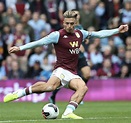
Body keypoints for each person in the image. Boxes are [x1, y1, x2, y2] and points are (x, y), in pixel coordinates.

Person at [4, 10, 128, 119]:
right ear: (63, 23)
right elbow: (39, 42)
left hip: (72, 72)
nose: (69, 26)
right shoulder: (57, 35)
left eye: (71, 23)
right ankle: (19, 93)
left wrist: (117, 30)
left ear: (75, 23)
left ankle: (68, 112)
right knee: (50, 87)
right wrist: (20, 48)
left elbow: (98, 34)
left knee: (83, 88)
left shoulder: (81, 34)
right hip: (61, 69)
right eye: (66, 23)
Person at [49, 10, 91, 104]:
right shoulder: (67, 28)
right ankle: (53, 95)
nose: (77, 16)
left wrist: (84, 41)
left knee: (87, 74)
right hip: (68, 57)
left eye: (78, 14)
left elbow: (85, 38)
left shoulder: (80, 28)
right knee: (61, 80)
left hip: (79, 56)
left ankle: (79, 93)